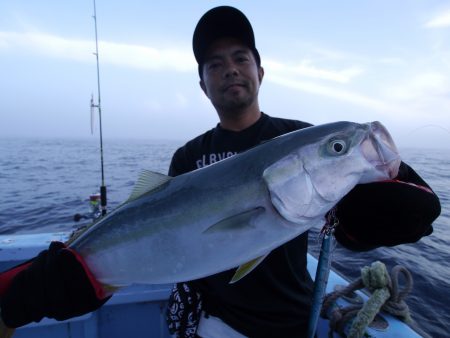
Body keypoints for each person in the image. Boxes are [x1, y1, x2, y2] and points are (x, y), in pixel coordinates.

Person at [0, 5, 441, 338]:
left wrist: (384, 182)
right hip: (212, 323)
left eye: (240, 57)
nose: (229, 68)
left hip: (289, 320)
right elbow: (165, 238)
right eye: (214, 64)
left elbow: (382, 215)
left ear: (260, 71)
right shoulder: (189, 156)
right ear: (202, 84)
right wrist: (91, 265)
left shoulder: (299, 137)